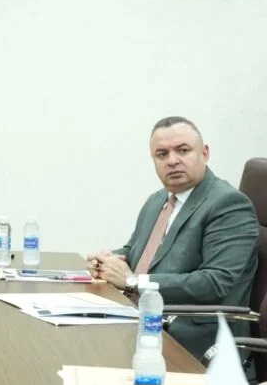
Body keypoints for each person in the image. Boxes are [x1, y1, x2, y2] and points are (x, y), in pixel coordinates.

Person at [86, 116, 258, 359]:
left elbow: (215, 282)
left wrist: (132, 281)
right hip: (143, 319)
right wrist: (108, 262)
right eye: (162, 154)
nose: (172, 160)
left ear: (205, 153)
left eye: (183, 150)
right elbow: (136, 251)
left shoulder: (228, 204)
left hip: (195, 339)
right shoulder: (159, 199)